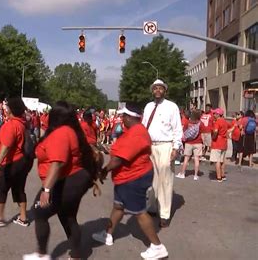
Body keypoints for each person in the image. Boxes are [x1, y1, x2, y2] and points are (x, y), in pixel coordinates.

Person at [92, 103, 168, 259]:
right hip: (126, 177)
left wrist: (104, 170)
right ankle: (108, 234)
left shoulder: (137, 133)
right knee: (118, 206)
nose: (121, 119)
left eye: (123, 116)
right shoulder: (133, 131)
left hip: (134, 177)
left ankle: (157, 246)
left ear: (129, 117)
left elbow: (119, 160)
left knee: (139, 212)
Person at [23, 101, 97, 260]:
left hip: (66, 180)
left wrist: (46, 190)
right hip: (74, 179)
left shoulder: (62, 133)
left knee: (40, 213)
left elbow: (58, 163)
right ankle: (77, 255)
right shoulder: (69, 131)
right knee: (68, 216)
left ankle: (41, 255)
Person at [0, 98, 33, 228]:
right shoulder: (22, 123)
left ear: (11, 109)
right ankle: (23, 218)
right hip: (22, 161)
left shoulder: (11, 125)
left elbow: (6, 147)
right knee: (19, 189)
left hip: (11, 162)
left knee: (0, 188)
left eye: (7, 107)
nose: (5, 109)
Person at [142, 79, 182, 228]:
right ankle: (152, 207)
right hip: (150, 146)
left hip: (166, 145)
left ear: (165, 90)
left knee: (165, 179)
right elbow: (143, 126)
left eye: (160, 88)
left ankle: (164, 214)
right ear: (152, 91)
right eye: (155, 88)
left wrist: (176, 148)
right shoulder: (148, 107)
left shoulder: (171, 107)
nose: (157, 90)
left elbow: (177, 128)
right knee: (151, 178)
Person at [176, 110, 205, 181]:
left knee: (186, 159)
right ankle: (195, 175)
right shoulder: (201, 123)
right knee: (196, 159)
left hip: (189, 143)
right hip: (198, 143)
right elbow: (202, 134)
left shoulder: (188, 122)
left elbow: (184, 132)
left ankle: (182, 173)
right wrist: (203, 143)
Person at [210, 108, 228, 182]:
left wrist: (213, 138)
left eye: (214, 113)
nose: (213, 115)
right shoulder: (225, 121)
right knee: (222, 160)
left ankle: (218, 177)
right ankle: (223, 175)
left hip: (217, 142)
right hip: (224, 142)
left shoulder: (217, 122)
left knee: (217, 160)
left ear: (218, 114)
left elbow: (215, 131)